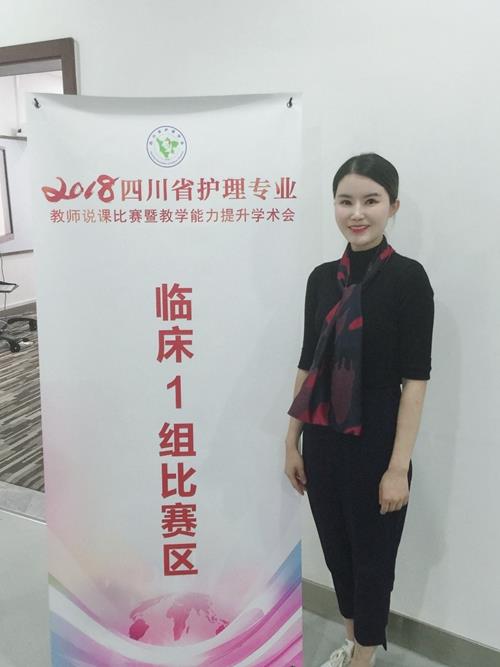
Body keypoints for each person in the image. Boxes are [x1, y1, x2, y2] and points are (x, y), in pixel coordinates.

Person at [284, 153, 435, 667]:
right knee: (338, 556)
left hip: (376, 446)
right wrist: (291, 441)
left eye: (370, 200)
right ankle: (354, 645)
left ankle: (362, 659)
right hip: (323, 441)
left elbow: (415, 383)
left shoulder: (408, 280)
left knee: (372, 562)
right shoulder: (322, 279)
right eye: (345, 201)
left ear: (393, 206)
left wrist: (397, 468)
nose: (357, 213)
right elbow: (308, 363)